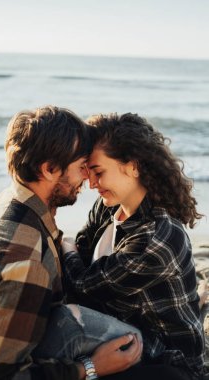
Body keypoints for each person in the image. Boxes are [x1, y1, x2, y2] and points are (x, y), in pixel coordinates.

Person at [0, 106, 143, 380]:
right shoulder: (27, 262)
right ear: (49, 169)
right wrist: (89, 368)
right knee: (134, 343)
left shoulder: (11, 203)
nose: (88, 180)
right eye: (81, 168)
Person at [61, 112, 206, 380]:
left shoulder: (157, 237)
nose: (91, 184)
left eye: (99, 172)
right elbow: (82, 250)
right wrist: (73, 250)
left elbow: (81, 284)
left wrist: (65, 245)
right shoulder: (108, 207)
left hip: (168, 362)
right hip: (125, 336)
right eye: (87, 172)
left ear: (133, 166)